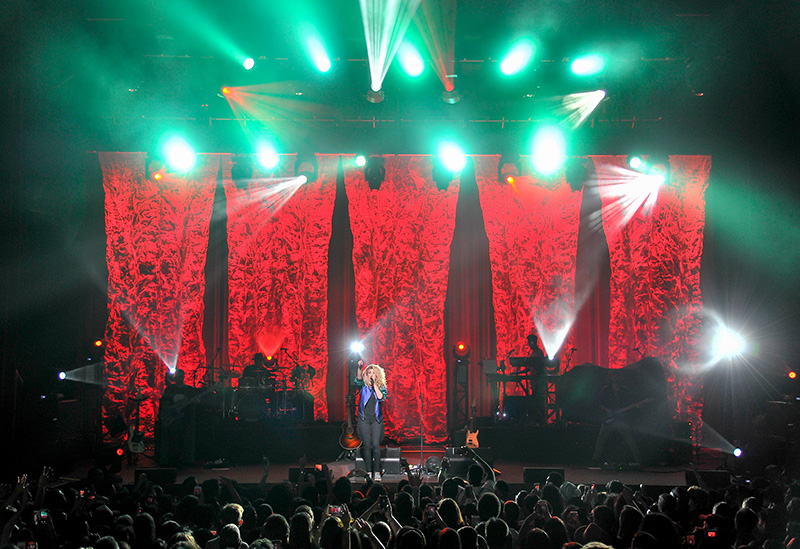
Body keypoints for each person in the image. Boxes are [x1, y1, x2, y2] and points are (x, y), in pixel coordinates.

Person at [355, 359, 388, 481]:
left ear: (377, 375)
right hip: (364, 419)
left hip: (376, 420)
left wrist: (375, 385)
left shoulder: (381, 387)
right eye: (369, 373)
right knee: (367, 446)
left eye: (373, 373)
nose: (371, 375)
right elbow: (358, 378)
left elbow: (380, 397)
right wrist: (359, 367)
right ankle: (369, 472)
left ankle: (377, 472)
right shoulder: (363, 386)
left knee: (375, 445)